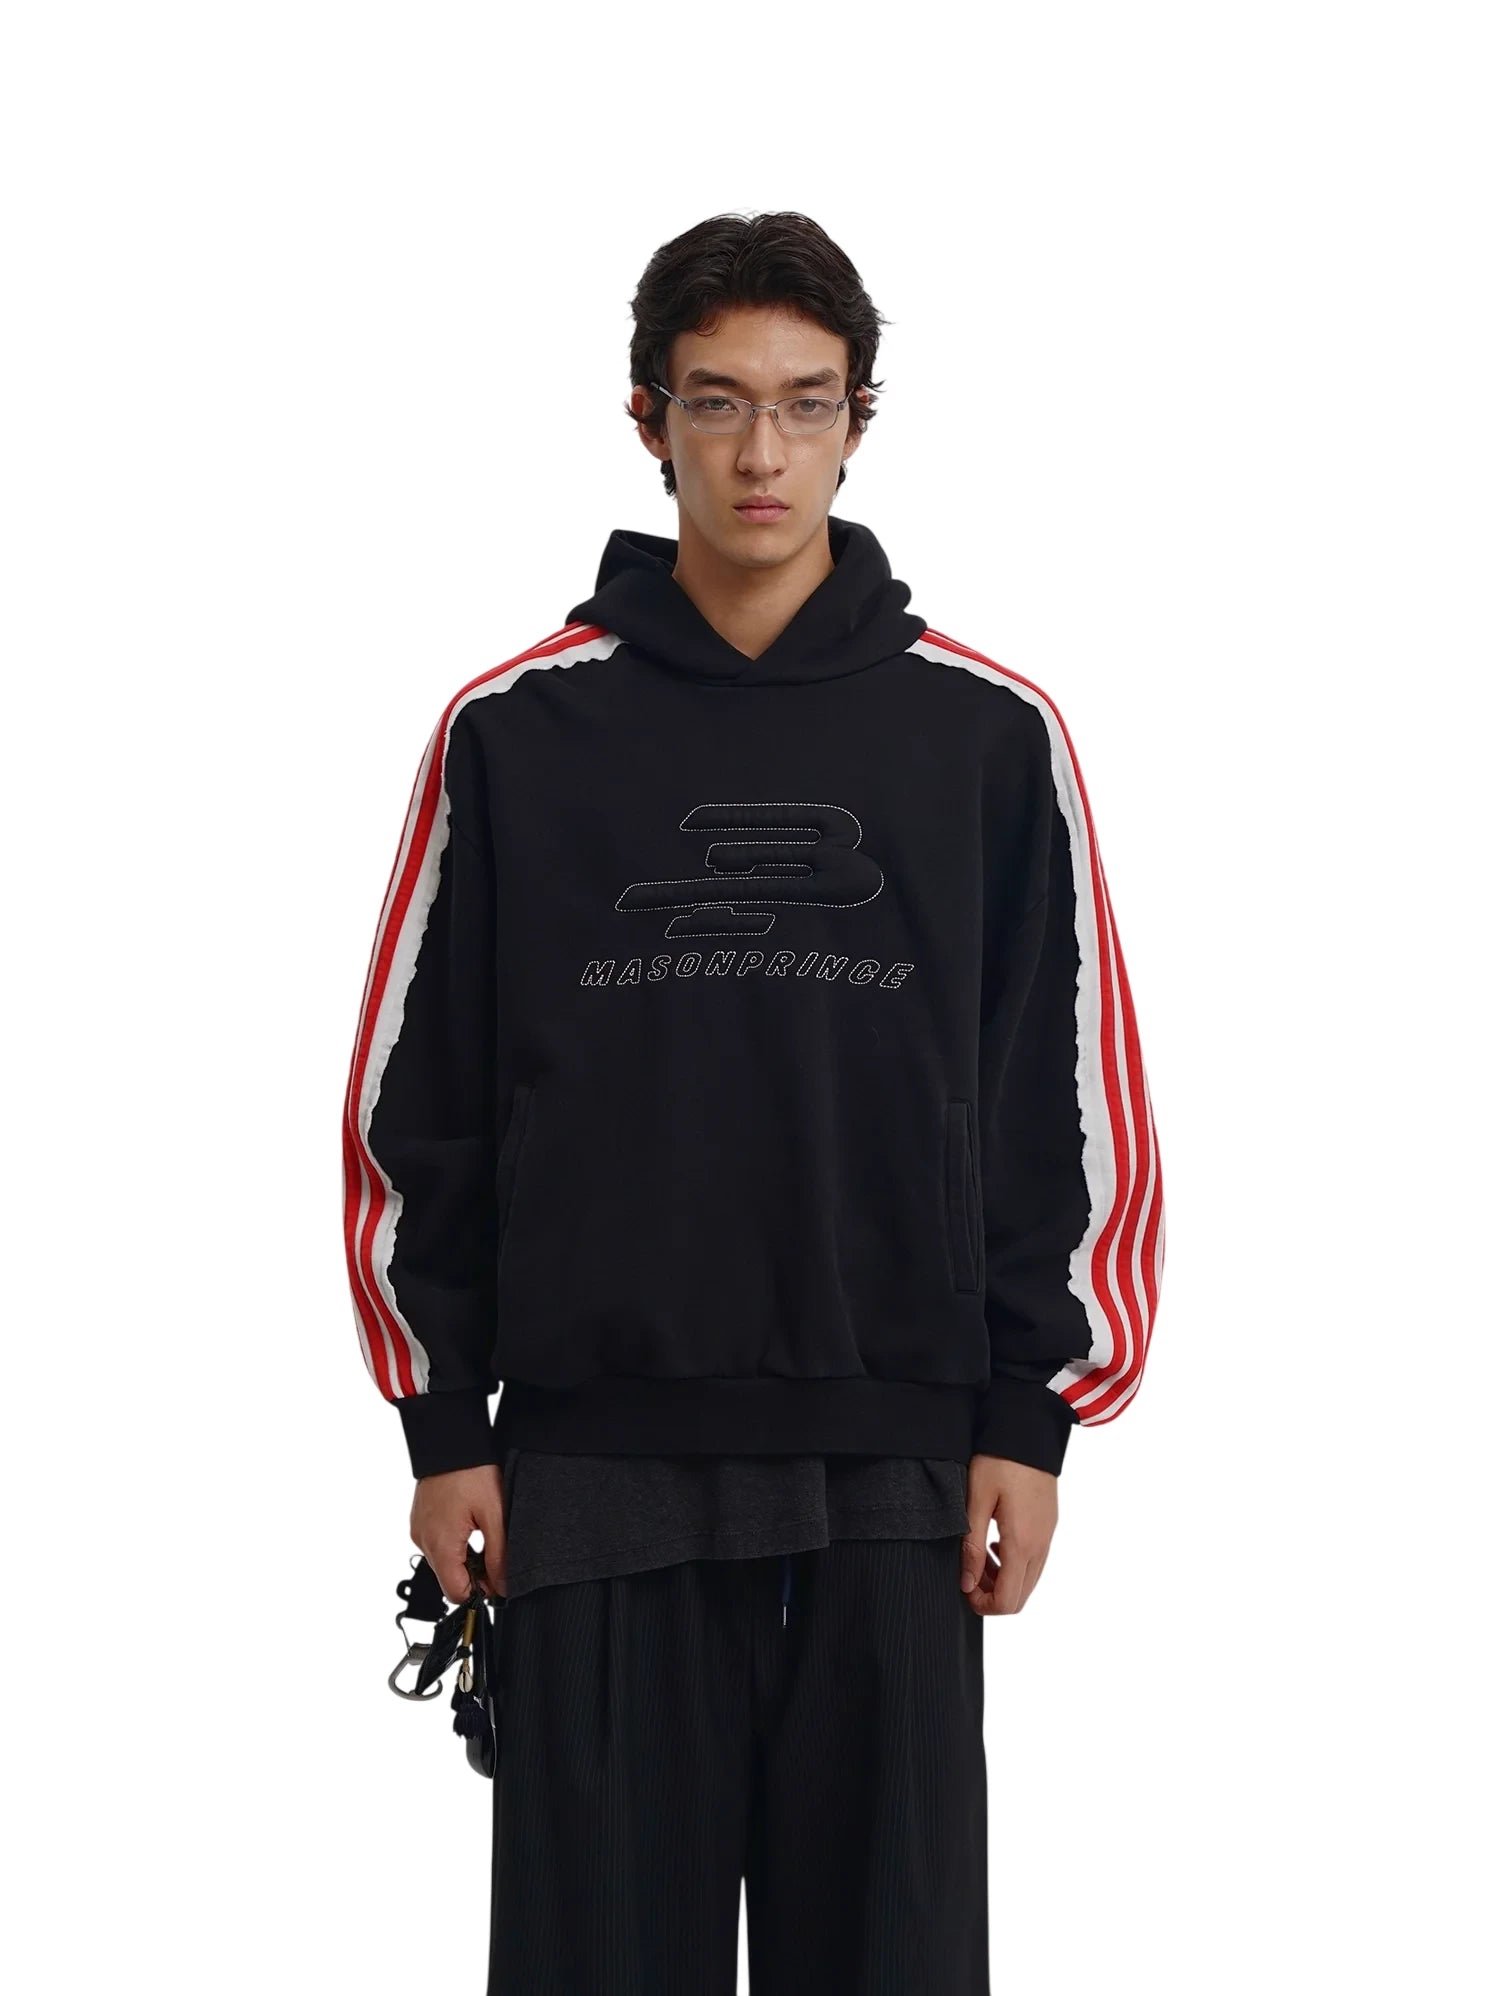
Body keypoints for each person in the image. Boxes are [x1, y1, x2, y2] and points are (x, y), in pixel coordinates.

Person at [341, 209, 1164, 1996]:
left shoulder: (985, 734)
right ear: (648, 419)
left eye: (805, 403)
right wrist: (442, 1422)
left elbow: (1064, 1092)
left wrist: (1032, 1414)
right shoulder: (515, 730)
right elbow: (417, 1108)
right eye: (717, 402)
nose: (762, 452)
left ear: (861, 419)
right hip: (590, 1468)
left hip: (898, 1470)